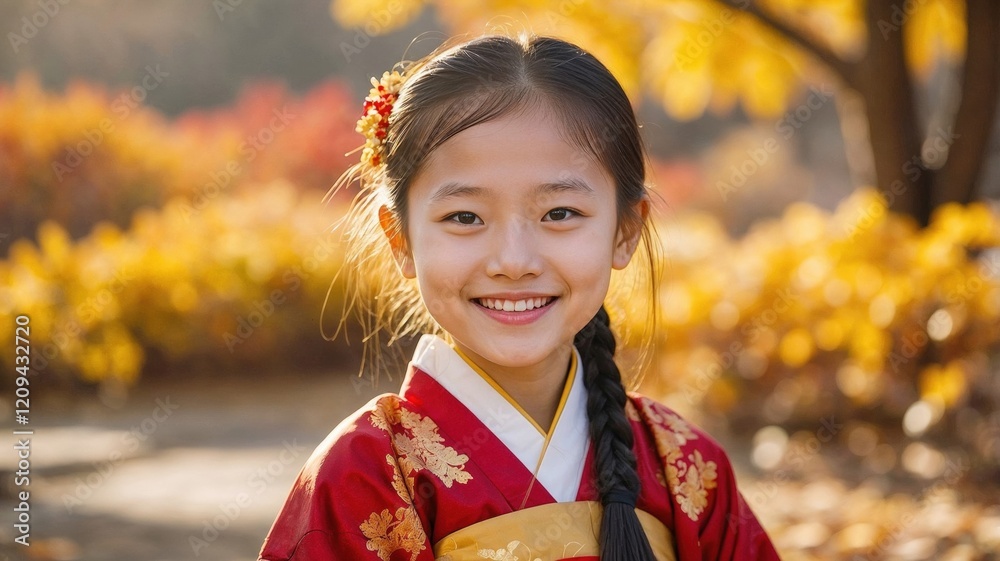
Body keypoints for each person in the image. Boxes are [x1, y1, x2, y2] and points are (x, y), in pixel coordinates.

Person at [258, 32, 780, 561]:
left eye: (560, 214)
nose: (513, 261)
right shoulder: (364, 474)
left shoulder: (685, 466)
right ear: (402, 240)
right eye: (464, 217)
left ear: (625, 230)